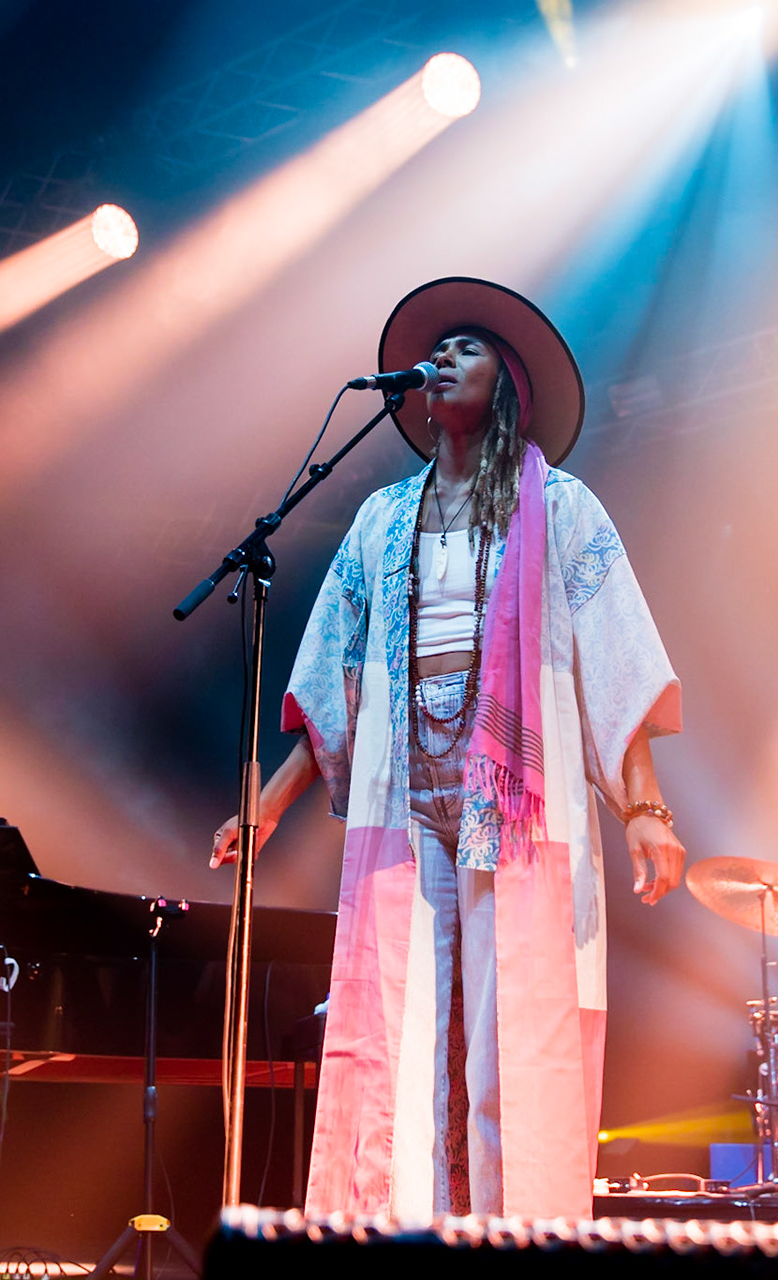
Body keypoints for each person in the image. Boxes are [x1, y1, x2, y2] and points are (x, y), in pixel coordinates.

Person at [210, 278, 685, 1221]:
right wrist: (271, 801)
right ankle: (397, 1232)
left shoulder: (566, 509)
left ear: (507, 379)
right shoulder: (382, 518)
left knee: (517, 1038)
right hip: (404, 803)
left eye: (469, 347)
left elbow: (618, 669)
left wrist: (648, 810)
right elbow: (341, 683)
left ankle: (524, 1238)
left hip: (516, 807)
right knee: (398, 1036)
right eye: (441, 350)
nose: (445, 360)